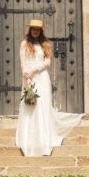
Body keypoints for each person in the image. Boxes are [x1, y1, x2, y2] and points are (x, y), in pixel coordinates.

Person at [15, 18, 82, 157]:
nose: (35, 31)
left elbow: (47, 62)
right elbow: (23, 63)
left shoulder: (45, 44)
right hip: (29, 78)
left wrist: (34, 70)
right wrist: (27, 77)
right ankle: (29, 139)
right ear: (30, 29)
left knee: (43, 106)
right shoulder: (24, 44)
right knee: (30, 106)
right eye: (33, 28)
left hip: (42, 77)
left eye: (37, 29)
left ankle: (44, 137)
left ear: (40, 31)